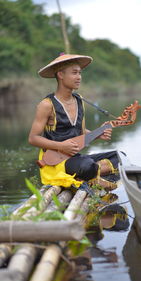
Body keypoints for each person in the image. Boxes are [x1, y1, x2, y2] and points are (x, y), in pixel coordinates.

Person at [28, 53, 119, 190]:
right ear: (60, 75)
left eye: (80, 73)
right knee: (87, 165)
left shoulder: (79, 100)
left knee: (119, 156)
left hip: (75, 158)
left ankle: (88, 176)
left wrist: (97, 134)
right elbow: (33, 139)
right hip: (56, 162)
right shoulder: (47, 105)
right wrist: (61, 146)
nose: (79, 77)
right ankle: (91, 175)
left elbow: (79, 133)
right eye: (74, 73)